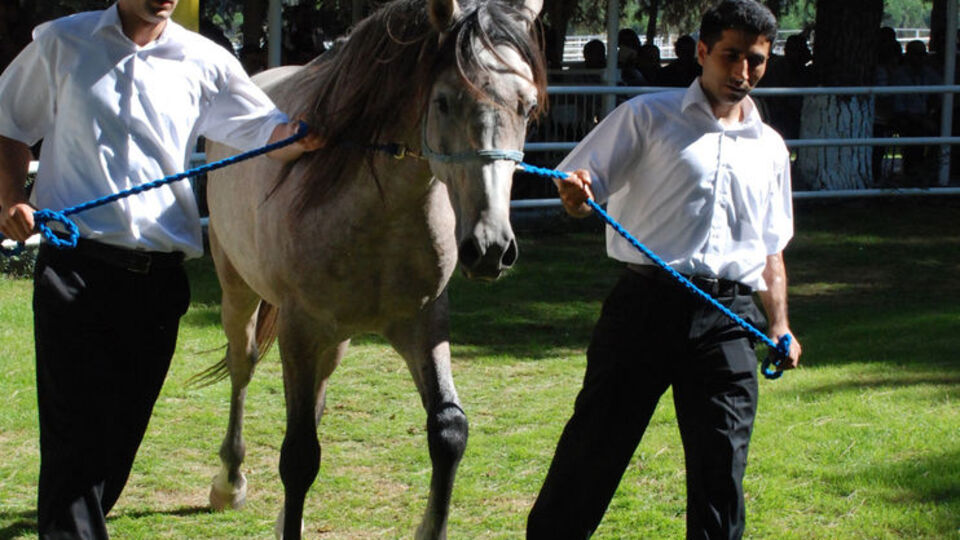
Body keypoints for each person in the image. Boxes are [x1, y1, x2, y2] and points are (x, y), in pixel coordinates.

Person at [0, 1, 321, 538]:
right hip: (75, 272)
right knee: (75, 440)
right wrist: (11, 197)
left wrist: (304, 136)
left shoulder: (205, 61)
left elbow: (269, 132)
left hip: (158, 284)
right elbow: (7, 121)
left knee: (116, 441)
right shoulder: (62, 43)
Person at [526, 1, 802, 538]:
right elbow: (580, 187)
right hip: (644, 308)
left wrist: (780, 324)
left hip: (728, 319)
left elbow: (771, 250)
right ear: (702, 51)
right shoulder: (647, 115)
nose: (743, 71)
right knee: (593, 450)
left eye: (756, 60)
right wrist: (576, 194)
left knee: (722, 469)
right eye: (730, 56)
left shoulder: (770, 148)